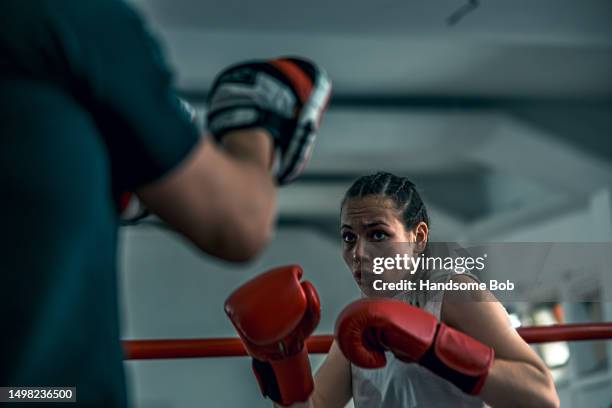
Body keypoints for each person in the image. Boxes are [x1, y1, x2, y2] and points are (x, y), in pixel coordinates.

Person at [0, 0, 331, 405]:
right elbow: (239, 223)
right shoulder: (66, 20)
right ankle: (240, 118)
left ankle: (124, 178)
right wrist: (253, 128)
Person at [225, 172, 559, 407]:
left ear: (419, 238)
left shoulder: (451, 294)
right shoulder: (359, 325)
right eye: (348, 237)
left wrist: (434, 348)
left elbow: (541, 397)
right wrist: (285, 363)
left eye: (378, 235)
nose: (358, 253)